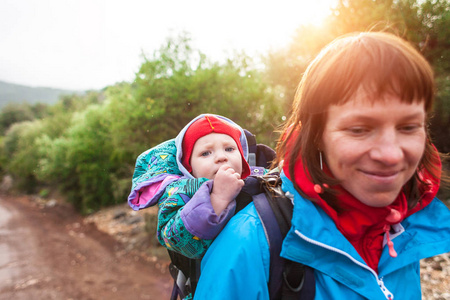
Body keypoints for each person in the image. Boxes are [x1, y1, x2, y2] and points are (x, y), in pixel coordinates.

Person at [192, 32, 450, 299]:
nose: (391, 155)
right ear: (316, 134)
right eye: (359, 129)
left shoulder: (402, 229)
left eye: (408, 127)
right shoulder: (250, 242)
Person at [128, 114, 267, 258]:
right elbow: (176, 239)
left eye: (229, 149)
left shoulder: (257, 175)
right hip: (215, 272)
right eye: (206, 153)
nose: (221, 157)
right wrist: (218, 197)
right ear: (188, 167)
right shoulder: (179, 191)